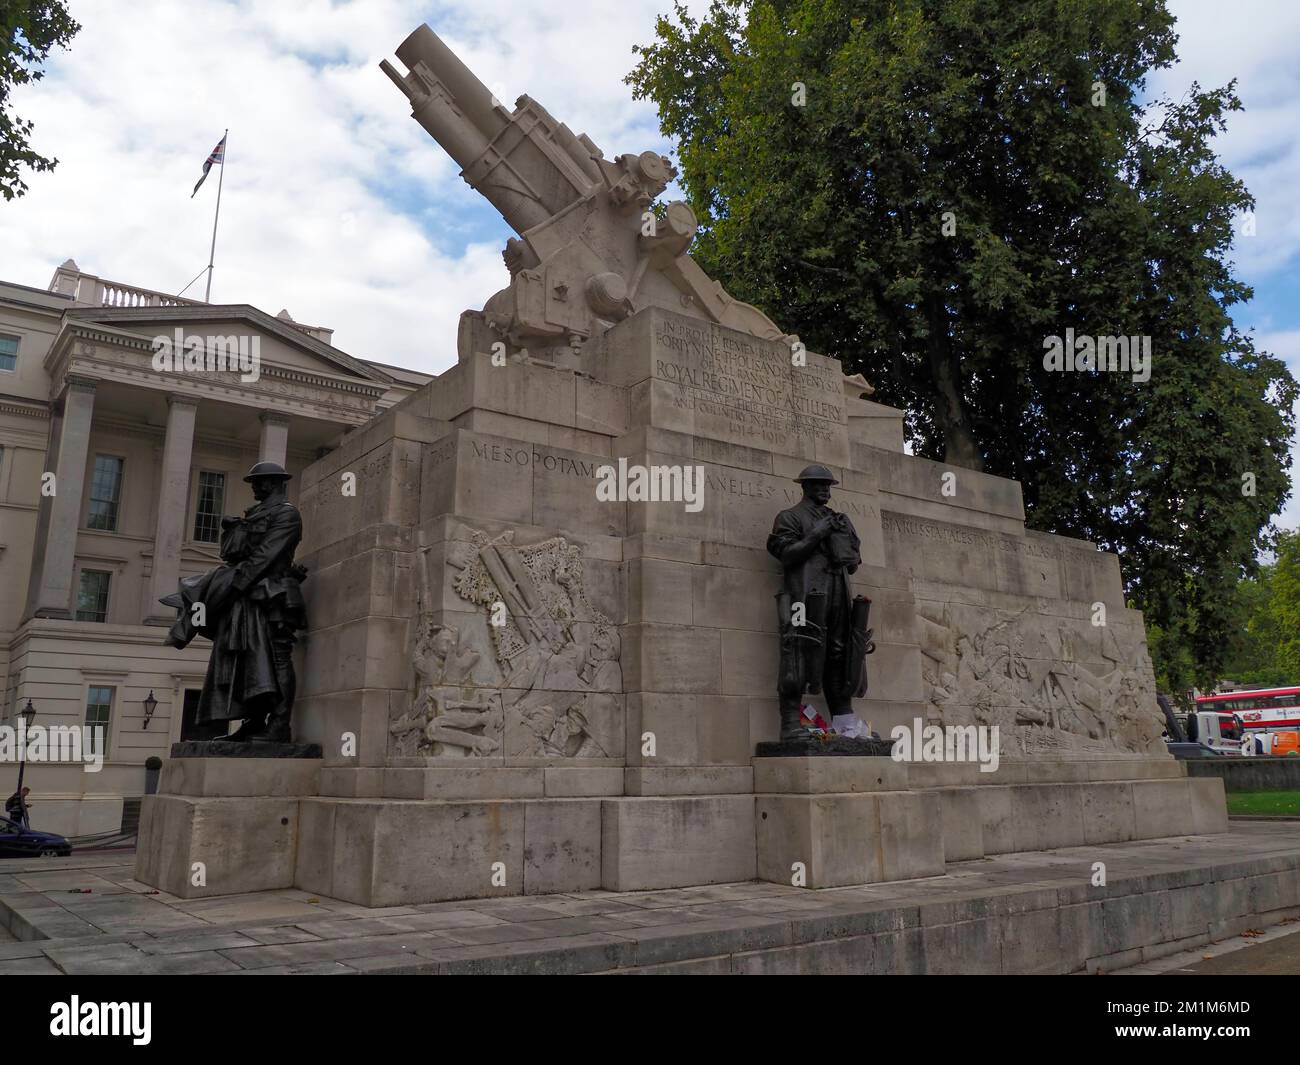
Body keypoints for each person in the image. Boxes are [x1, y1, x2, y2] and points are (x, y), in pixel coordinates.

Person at [160, 462, 307, 742]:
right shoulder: (254, 515)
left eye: (258, 482)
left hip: (271, 598)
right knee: (246, 661)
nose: (253, 487)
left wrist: (230, 588)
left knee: (277, 661)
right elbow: (231, 554)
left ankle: (279, 725)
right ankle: (253, 723)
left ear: (275, 483)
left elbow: (264, 557)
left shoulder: (287, 514)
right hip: (247, 597)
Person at [767, 465, 872, 741]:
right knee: (798, 652)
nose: (825, 489)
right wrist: (817, 533)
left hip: (837, 592)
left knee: (841, 654)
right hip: (804, 595)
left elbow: (852, 566)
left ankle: (846, 723)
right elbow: (787, 555)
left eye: (828, 485)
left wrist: (844, 543)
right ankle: (790, 724)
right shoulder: (789, 517)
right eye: (819, 484)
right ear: (805, 487)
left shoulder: (839, 519)